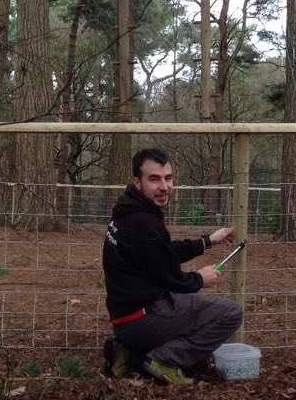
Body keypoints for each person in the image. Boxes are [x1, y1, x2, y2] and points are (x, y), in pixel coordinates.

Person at [102, 147, 244, 385]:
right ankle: (164, 360)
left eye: (168, 178)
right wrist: (200, 279)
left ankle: (129, 354)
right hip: (143, 316)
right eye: (154, 179)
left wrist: (207, 241)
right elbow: (172, 278)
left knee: (197, 341)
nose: (164, 186)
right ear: (137, 182)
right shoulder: (144, 223)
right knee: (230, 313)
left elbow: (161, 254)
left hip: (125, 318)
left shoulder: (128, 211)